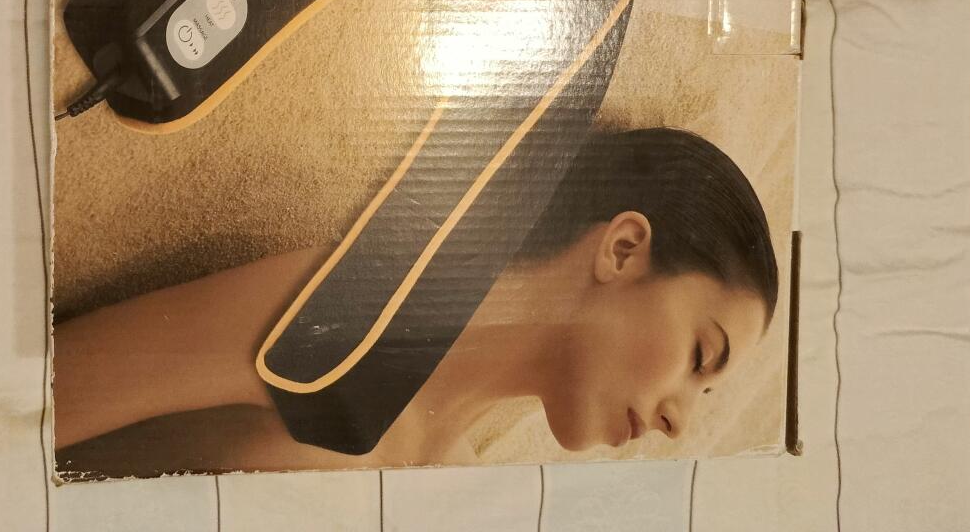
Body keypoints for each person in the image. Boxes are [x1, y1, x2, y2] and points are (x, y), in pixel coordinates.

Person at [52, 127, 779, 474]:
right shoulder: (337, 325)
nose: (680, 423)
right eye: (699, 356)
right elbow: (31, 400)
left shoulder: (459, 489)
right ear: (621, 250)